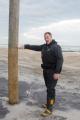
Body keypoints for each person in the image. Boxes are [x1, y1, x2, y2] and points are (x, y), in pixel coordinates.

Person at [19, 32, 63, 117]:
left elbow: (60, 60)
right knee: (49, 89)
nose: (46, 38)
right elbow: (35, 47)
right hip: (45, 71)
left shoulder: (56, 47)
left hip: (53, 72)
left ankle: (49, 109)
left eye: (48, 37)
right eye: (45, 37)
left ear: (51, 37)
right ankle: (50, 103)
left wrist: (57, 72)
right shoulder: (44, 46)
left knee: (50, 89)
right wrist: (24, 46)